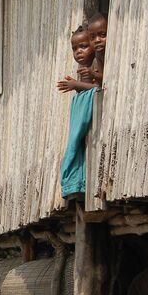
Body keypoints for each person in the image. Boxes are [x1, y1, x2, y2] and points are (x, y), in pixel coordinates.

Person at [58, 26, 98, 198]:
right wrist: (77, 86)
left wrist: (77, 85)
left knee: (76, 143)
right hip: (82, 108)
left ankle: (75, 181)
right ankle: (73, 181)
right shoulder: (84, 67)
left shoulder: (95, 64)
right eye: (75, 48)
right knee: (75, 145)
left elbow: (98, 87)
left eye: (83, 46)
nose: (78, 52)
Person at [87, 12, 108, 86]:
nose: (97, 40)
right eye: (92, 37)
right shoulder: (98, 55)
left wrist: (93, 74)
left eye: (102, 35)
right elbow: (102, 82)